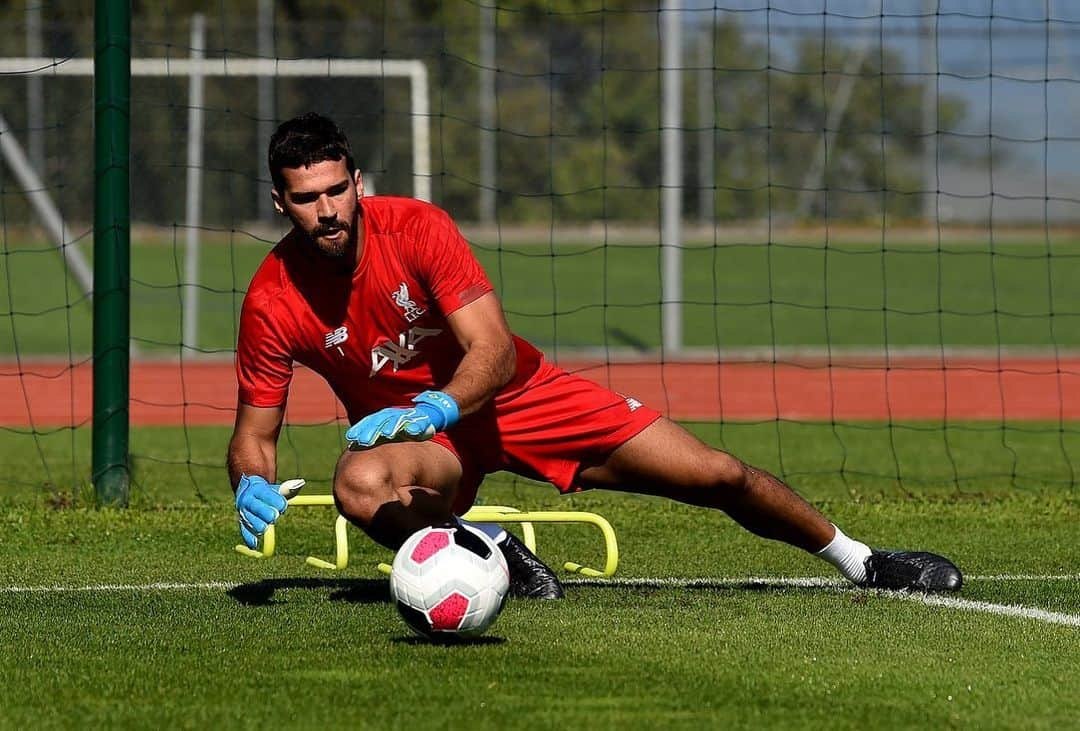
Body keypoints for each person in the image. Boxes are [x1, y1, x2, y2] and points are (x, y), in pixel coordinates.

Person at [228, 113, 962, 599]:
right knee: (358, 484)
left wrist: (446, 399)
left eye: (335, 191)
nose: (326, 211)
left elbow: (491, 350)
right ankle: (484, 547)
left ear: (357, 183)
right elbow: (254, 438)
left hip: (515, 397)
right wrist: (248, 485)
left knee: (716, 473)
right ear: (278, 201)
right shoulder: (271, 298)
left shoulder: (419, 229)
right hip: (424, 441)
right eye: (305, 199)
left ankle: (863, 560)